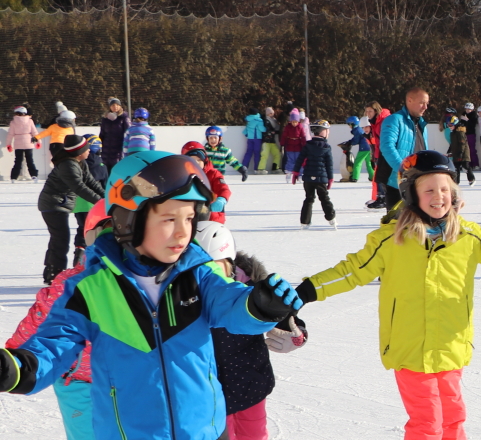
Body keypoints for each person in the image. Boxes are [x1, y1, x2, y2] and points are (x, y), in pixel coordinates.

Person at [1, 151, 303, 439]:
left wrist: (260, 305)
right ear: (127, 218)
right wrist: (18, 368)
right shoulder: (91, 289)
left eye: (188, 219)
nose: (184, 232)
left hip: (204, 432)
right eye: (169, 219)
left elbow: (233, 306)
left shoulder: (198, 276)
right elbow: (55, 343)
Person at [292, 150, 481, 440]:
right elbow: (350, 271)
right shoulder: (390, 240)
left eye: (446, 189)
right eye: (430, 190)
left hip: (451, 346)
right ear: (411, 194)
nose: (439, 196)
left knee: (454, 418)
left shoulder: (467, 237)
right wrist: (304, 292)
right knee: (427, 423)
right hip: (410, 349)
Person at [194, 221, 309, 440]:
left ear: (231, 264)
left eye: (216, 269)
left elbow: (287, 319)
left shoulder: (253, 292)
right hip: (210, 395)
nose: (209, 279)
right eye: (199, 271)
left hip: (250, 385)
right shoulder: (185, 300)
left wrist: (296, 336)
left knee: (254, 435)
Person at [6, 200, 109, 440]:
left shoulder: (144, 284)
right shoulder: (71, 283)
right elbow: (41, 320)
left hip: (128, 381)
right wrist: (17, 355)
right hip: (79, 383)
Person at [38, 135, 103, 285]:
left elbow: (91, 182)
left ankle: (51, 271)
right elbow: (79, 187)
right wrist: (100, 202)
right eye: (86, 149)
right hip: (53, 204)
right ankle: (55, 273)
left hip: (60, 203)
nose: (89, 151)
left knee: (58, 238)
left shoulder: (79, 162)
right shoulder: (68, 165)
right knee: (61, 238)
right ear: (79, 151)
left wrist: (107, 197)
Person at [380, 88, 432, 212]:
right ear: (409, 100)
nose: (425, 107)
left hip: (417, 182)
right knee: (397, 225)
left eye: (427, 103)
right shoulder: (395, 119)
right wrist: (403, 170)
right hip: (396, 183)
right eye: (422, 103)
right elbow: (387, 146)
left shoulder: (422, 124)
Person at [71, 134, 108, 265]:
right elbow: (105, 186)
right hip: (94, 205)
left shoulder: (77, 164)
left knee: (81, 228)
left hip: (77, 204)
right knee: (94, 231)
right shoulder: (101, 165)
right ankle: (92, 258)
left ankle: (78, 254)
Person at [293, 121, 337, 230]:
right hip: (321, 178)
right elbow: (329, 164)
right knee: (324, 198)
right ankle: (331, 218)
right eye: (327, 131)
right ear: (323, 132)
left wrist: (296, 172)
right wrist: (330, 178)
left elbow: (300, 160)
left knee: (309, 198)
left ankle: (304, 222)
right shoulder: (326, 147)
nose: (328, 133)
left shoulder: (308, 145)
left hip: (308, 177)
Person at [182, 142, 233, 224]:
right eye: (192, 160)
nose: (196, 163)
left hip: (212, 218)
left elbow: (223, 188)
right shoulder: (182, 175)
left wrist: (222, 199)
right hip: (189, 217)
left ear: (204, 160)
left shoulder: (213, 174)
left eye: (199, 160)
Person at [367, 102, 392, 210]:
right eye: (366, 111)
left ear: (376, 111)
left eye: (370, 111)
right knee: (378, 177)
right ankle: (381, 197)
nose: (368, 114)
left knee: (383, 177)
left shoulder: (383, 120)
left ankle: (384, 198)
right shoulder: (375, 121)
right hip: (379, 152)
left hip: (385, 152)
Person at [6, 105, 40, 182]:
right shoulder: (30, 121)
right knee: (30, 160)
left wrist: (8, 144)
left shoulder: (13, 122)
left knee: (18, 161)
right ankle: (34, 176)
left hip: (18, 144)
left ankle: (14, 177)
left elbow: (10, 134)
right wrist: (39, 141)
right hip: (29, 143)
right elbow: (35, 132)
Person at [98, 97, 130, 171]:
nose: (115, 107)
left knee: (116, 169)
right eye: (113, 105)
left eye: (117, 105)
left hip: (118, 149)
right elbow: (102, 133)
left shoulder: (124, 118)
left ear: (120, 106)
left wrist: (125, 146)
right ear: (110, 107)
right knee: (106, 169)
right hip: (106, 148)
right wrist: (100, 144)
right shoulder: (105, 119)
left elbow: (128, 132)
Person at [281, 109, 308, 182]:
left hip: (298, 147)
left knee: (299, 161)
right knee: (290, 160)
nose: (294, 123)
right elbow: (284, 136)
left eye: (296, 122)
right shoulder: (287, 127)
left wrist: (304, 145)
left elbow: (303, 136)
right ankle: (289, 173)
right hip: (290, 147)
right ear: (290, 121)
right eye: (293, 122)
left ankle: (299, 175)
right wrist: (282, 143)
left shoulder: (300, 127)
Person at [447, 117, 475, 186]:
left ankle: (471, 179)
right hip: (456, 153)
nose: (449, 127)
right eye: (448, 125)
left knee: (465, 166)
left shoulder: (460, 133)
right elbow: (452, 144)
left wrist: (460, 154)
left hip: (464, 153)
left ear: (455, 124)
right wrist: (449, 151)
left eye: (451, 125)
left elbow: (462, 144)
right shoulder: (452, 133)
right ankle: (456, 182)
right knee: (456, 168)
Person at [345, 115, 374, 182]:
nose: (349, 126)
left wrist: (349, 143)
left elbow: (356, 140)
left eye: (349, 124)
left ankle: (355, 177)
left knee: (358, 162)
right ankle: (372, 176)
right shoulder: (360, 129)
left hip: (364, 148)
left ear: (353, 124)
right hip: (369, 146)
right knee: (368, 163)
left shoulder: (357, 130)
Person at [260, 106, 283, 174]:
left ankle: (275, 167)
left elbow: (276, 129)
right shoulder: (265, 121)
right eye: (270, 113)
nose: (272, 114)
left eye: (272, 113)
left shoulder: (274, 120)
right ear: (267, 114)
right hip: (266, 141)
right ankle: (261, 168)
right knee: (264, 155)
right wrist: (273, 132)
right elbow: (266, 130)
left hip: (272, 141)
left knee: (277, 154)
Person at [243, 109, 266, 173]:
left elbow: (245, 130)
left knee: (248, 152)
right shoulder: (259, 120)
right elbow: (262, 129)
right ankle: (256, 168)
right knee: (257, 153)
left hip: (250, 138)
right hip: (257, 139)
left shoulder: (248, 120)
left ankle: (244, 167)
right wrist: (266, 129)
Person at [461, 102, 481, 168]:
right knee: (464, 150)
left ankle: (475, 164)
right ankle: (467, 164)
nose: (467, 110)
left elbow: (472, 124)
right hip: (463, 133)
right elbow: (461, 123)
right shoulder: (463, 114)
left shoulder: (474, 115)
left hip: (471, 134)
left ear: (472, 109)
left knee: (472, 149)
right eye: (466, 109)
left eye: (469, 109)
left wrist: (467, 120)